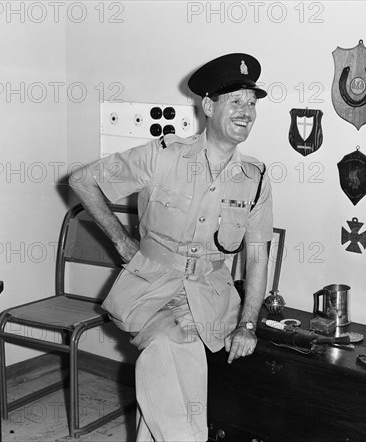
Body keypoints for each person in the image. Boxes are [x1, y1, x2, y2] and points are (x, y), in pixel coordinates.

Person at [68, 53, 273, 442]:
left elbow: (258, 256)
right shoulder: (162, 155)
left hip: (209, 300)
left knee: (175, 384)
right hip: (151, 292)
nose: (246, 111)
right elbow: (82, 180)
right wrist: (123, 243)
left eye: (252, 102)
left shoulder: (256, 178)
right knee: (169, 352)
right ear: (209, 106)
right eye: (236, 101)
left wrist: (248, 324)